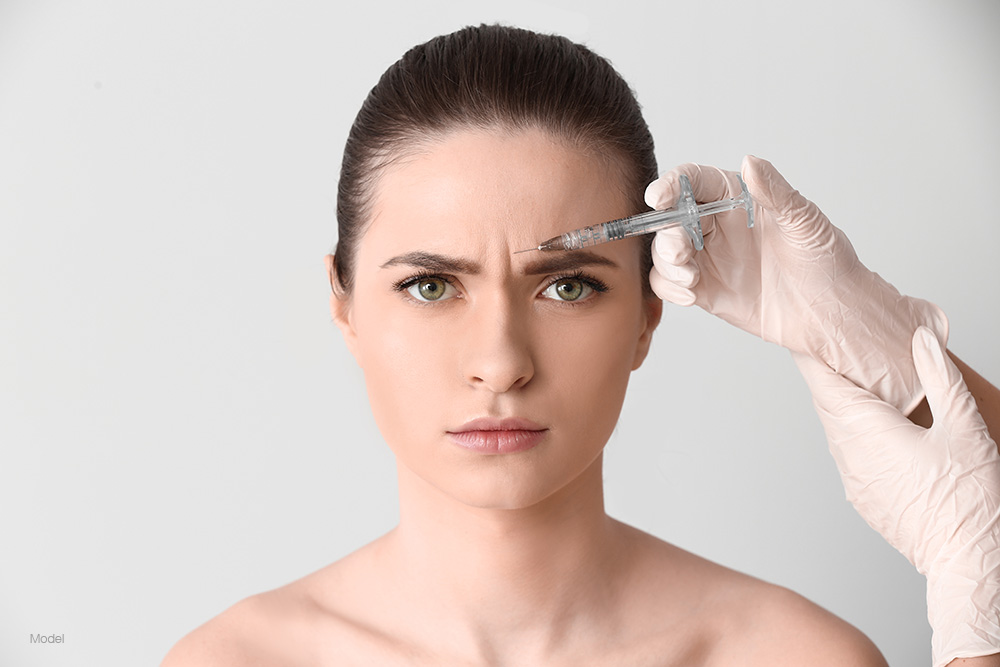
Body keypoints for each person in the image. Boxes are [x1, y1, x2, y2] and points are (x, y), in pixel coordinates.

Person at [161, 24, 999, 666]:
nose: (501, 361)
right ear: (344, 306)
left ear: (648, 312)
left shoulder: (792, 656)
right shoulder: (231, 660)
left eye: (568, 285)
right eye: (430, 285)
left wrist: (886, 346)